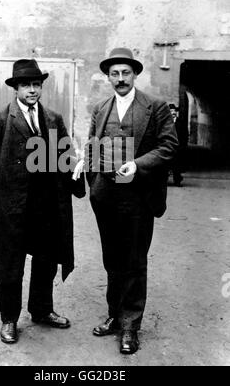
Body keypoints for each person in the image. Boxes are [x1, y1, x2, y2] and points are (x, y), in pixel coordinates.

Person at [0, 59, 85, 344]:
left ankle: (42, 310)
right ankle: (9, 319)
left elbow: (64, 156)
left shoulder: (53, 119)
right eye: (26, 85)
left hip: (46, 205)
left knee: (46, 260)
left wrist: (74, 167)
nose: (32, 90)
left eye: (37, 84)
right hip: (11, 207)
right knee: (11, 263)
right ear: (16, 88)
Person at [86, 47, 178, 355]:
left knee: (134, 262)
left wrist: (138, 165)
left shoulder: (155, 106)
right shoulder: (101, 107)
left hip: (138, 197)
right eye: (115, 73)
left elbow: (169, 147)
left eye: (126, 73)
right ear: (108, 76)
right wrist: (91, 177)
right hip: (106, 195)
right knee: (112, 259)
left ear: (135, 74)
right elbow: (92, 146)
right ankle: (115, 315)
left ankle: (130, 326)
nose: (121, 78)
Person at [169, 103, 188, 186]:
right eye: (171, 111)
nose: (173, 113)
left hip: (178, 148)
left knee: (177, 166)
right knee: (166, 165)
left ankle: (177, 181)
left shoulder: (181, 122)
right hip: (167, 147)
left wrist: (183, 146)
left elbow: (185, 135)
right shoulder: (165, 122)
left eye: (174, 111)